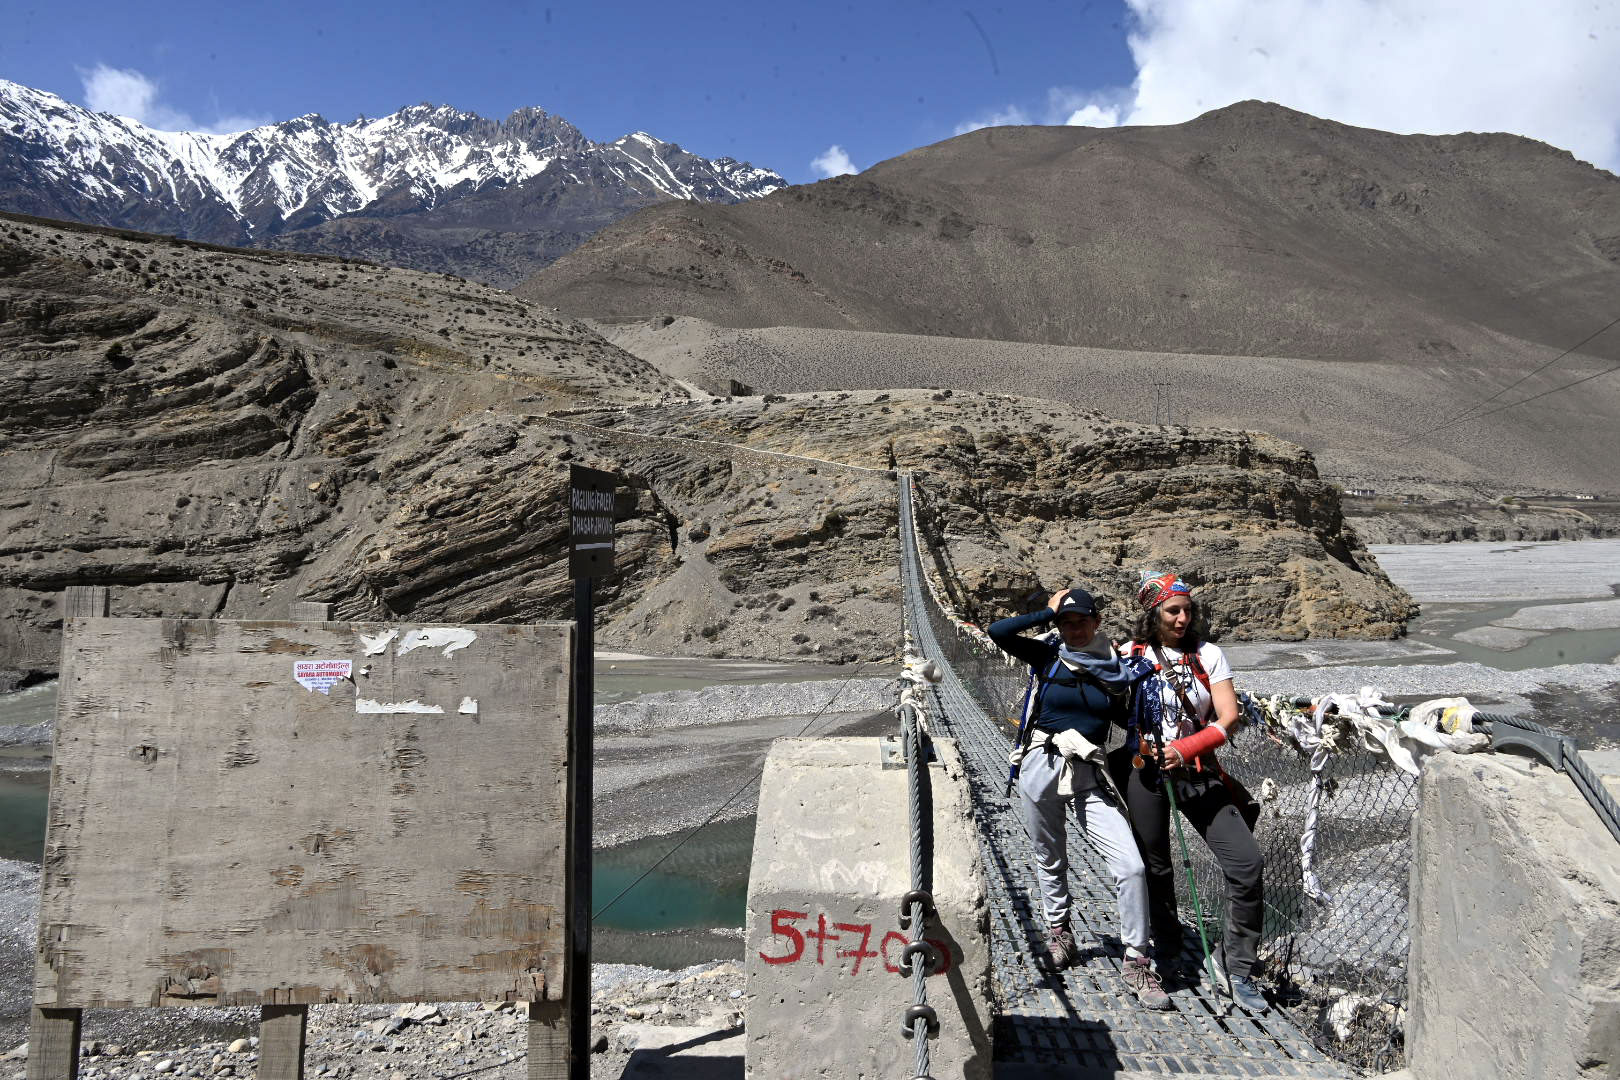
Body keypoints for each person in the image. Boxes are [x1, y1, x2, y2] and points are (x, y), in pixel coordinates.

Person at [988, 587, 1171, 1010]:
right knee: (1049, 855)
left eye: (1081, 621)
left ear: (1097, 622)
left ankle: (1137, 960)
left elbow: (1135, 718)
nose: (1073, 629)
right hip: (1042, 761)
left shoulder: (1122, 670)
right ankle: (1061, 935)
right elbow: (999, 632)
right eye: (1066, 622)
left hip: (1090, 771)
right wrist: (1046, 612)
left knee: (1131, 866)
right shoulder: (1047, 656)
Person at [1118, 572, 1268, 1014]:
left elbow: (1228, 717)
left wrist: (1185, 747)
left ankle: (1235, 965)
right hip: (1146, 772)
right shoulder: (1130, 655)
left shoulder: (1209, 655)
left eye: (1188, 610)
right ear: (1153, 614)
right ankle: (1166, 948)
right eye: (1173, 611)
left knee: (1246, 862)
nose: (1183, 618)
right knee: (1155, 867)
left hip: (1197, 770)